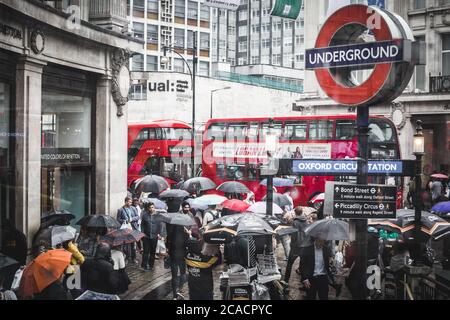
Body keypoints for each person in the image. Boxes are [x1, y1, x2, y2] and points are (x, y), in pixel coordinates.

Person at [166, 201, 197, 300]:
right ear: (182, 207)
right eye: (185, 207)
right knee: (178, 274)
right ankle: (177, 292)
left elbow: (169, 237)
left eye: (188, 207)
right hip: (179, 253)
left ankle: (178, 292)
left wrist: (189, 232)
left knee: (179, 274)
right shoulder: (178, 222)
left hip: (178, 253)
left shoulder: (180, 219)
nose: (187, 209)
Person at [284, 207, 308, 284]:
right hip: (304, 246)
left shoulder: (295, 222)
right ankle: (305, 283)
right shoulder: (306, 221)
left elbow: (294, 235)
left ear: (295, 213)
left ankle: (286, 281)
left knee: (290, 264)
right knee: (304, 265)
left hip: (296, 247)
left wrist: (292, 244)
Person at [140, 202, 165, 270]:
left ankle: (151, 265)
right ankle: (144, 265)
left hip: (154, 236)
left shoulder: (158, 216)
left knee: (152, 252)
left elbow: (161, 226)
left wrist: (160, 234)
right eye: (150, 207)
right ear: (148, 208)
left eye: (152, 207)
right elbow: (142, 225)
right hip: (146, 236)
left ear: (154, 208)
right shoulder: (145, 215)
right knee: (145, 251)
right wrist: (142, 233)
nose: (151, 209)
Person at [117, 197, 140, 264]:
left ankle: (134, 258)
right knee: (127, 244)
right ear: (125, 202)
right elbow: (118, 219)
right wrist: (124, 221)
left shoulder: (133, 208)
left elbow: (137, 217)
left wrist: (132, 219)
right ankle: (127, 257)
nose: (130, 203)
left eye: (131, 202)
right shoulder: (120, 210)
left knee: (133, 244)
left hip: (133, 228)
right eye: (129, 202)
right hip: (125, 228)